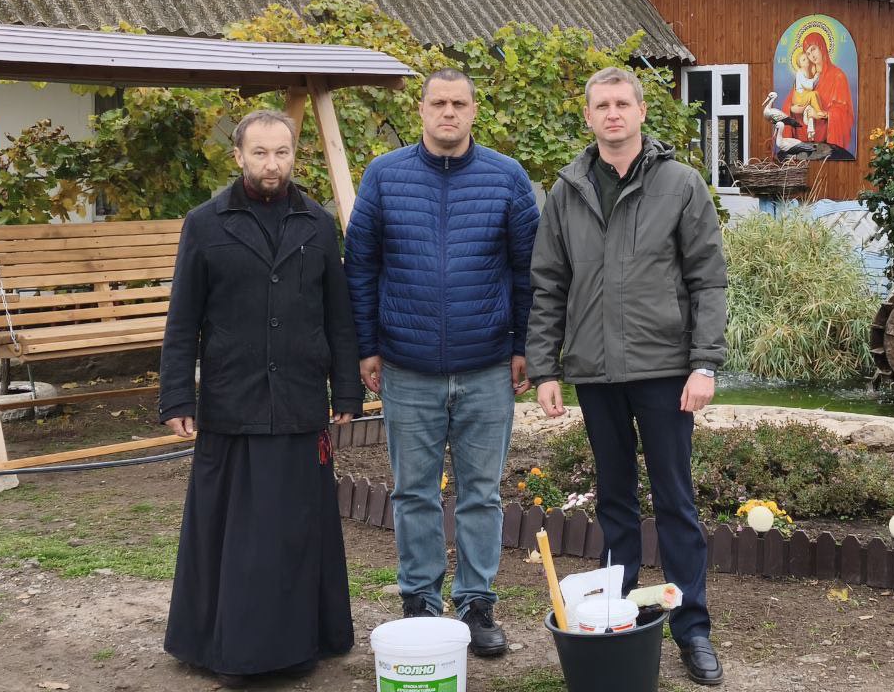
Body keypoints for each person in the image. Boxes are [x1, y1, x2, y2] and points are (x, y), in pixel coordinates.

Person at [527, 67, 728, 686]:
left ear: (641, 111)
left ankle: (691, 628)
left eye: (622, 103)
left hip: (666, 370)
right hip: (595, 372)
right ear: (587, 116)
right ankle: (618, 619)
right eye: (601, 105)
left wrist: (704, 363)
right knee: (614, 504)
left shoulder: (681, 185)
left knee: (675, 501)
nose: (612, 113)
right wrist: (545, 367)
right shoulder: (567, 191)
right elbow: (548, 285)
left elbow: (708, 278)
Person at [159, 109, 361, 688]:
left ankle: (306, 640)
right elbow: (182, 321)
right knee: (232, 532)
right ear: (238, 157)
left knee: (297, 527)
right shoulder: (205, 224)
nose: (272, 165)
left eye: (282, 153)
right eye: (260, 154)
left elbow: (338, 318)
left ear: (294, 155)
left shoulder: (318, 224)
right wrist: (178, 396)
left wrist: (345, 388)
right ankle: (222, 645)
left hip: (299, 402)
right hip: (232, 401)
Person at [343, 68, 539, 657]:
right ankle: (420, 602)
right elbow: (361, 267)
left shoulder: (507, 178)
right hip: (406, 364)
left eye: (458, 103)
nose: (447, 112)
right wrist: (367, 345)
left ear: (474, 110)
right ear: (422, 111)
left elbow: (529, 272)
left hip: (486, 365)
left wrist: (524, 346)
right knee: (413, 492)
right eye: (438, 103)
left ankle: (477, 604)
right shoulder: (384, 175)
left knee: (482, 493)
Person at [782, 31, 855, 157]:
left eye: (814, 49)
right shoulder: (806, 75)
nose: (812, 56)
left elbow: (844, 112)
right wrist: (793, 108)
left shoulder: (838, 76)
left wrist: (820, 114)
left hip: (826, 143)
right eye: (808, 53)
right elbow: (792, 101)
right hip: (804, 141)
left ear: (822, 47)